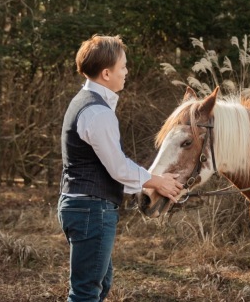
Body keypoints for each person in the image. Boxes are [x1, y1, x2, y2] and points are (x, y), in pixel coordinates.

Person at [58, 34, 184, 302]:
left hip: (84, 207)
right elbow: (118, 167)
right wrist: (157, 181)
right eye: (123, 66)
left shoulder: (86, 102)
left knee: (99, 287)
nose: (126, 72)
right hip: (91, 211)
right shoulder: (97, 112)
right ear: (106, 73)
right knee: (85, 294)